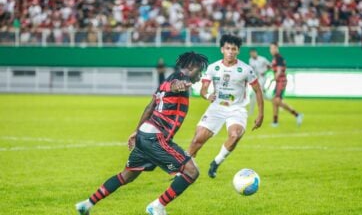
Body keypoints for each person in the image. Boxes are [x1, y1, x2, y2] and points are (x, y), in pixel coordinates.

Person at [75, 52, 209, 215]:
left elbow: (149, 107)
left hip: (145, 135)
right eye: (199, 70)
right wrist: (180, 84)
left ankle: (86, 204)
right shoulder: (178, 79)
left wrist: (136, 131)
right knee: (191, 171)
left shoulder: (165, 82)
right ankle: (157, 206)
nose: (200, 74)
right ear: (190, 67)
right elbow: (176, 84)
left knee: (126, 176)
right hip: (155, 137)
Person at [187, 34, 264, 178]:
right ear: (222, 49)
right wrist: (207, 95)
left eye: (233, 49)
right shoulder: (213, 68)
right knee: (197, 139)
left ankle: (216, 162)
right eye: (227, 48)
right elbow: (203, 89)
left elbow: (258, 91)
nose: (230, 51)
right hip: (216, 108)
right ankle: (184, 169)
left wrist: (260, 114)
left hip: (237, 109)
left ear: (238, 51)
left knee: (235, 135)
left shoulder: (246, 69)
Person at [269, 42, 303, 127]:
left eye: (273, 48)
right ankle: (275, 122)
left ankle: (297, 114)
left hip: (281, 81)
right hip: (279, 81)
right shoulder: (275, 58)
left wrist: (275, 77)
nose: (271, 50)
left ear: (277, 48)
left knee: (277, 100)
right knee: (274, 101)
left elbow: (279, 70)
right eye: (270, 48)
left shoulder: (278, 58)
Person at [248, 48, 271, 115]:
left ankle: (251, 112)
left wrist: (265, 71)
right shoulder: (250, 60)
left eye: (253, 53)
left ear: (256, 53)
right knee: (264, 96)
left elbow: (270, 65)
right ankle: (276, 101)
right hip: (256, 78)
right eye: (251, 53)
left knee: (254, 93)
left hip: (262, 78)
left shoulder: (262, 59)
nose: (252, 54)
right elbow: (251, 70)